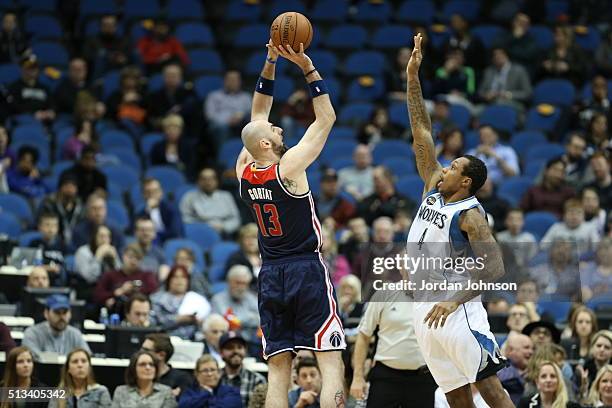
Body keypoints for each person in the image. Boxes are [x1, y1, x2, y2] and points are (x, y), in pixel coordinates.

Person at [404, 33, 514, 408]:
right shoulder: (433, 187)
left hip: (455, 309)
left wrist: (454, 301)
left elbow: (496, 267)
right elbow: (421, 131)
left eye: (453, 167)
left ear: (465, 181)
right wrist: (412, 78)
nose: (444, 168)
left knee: (490, 389)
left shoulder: (469, 216)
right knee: (454, 395)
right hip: (422, 307)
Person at [236, 40, 345, 407]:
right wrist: (308, 68)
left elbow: (257, 115)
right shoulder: (289, 169)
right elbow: (326, 118)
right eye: (276, 132)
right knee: (331, 362)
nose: (281, 130)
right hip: (305, 268)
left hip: (270, 274)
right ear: (267, 144)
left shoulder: (243, 172)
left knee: (279, 368)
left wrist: (270, 61)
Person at [350, 289, 436, 407]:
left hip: (423, 377)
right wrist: (358, 378)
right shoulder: (384, 294)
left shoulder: (436, 298)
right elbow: (364, 336)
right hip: (386, 376)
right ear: (400, 269)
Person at [93, 243, 159, 313]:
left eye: (137, 258)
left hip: (140, 312)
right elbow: (97, 295)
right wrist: (119, 292)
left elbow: (154, 291)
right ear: (123, 256)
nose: (133, 261)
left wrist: (135, 289)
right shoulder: (110, 275)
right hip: (116, 313)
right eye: (130, 257)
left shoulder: (146, 275)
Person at [21, 295, 91, 359]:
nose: (62, 317)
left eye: (65, 312)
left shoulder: (75, 334)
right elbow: (32, 357)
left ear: (70, 314)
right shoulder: (32, 333)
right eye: (57, 312)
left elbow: (87, 356)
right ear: (46, 313)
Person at [150, 265, 210, 339]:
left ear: (188, 281)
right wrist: (178, 319)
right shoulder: (156, 299)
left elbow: (207, 322)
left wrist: (200, 322)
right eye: (175, 277)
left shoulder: (196, 299)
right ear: (169, 279)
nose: (179, 280)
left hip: (192, 340)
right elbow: (155, 322)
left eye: (183, 277)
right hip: (163, 338)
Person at [179, 167, 241, 236]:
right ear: (198, 181)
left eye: (212, 179)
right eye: (204, 179)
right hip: (199, 232)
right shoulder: (189, 197)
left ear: (217, 181)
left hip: (224, 233)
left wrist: (224, 227)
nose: (208, 182)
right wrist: (204, 227)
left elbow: (236, 218)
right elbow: (185, 218)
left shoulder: (226, 196)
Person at [111, 350, 177, 408]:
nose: (148, 368)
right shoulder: (121, 391)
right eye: (142, 364)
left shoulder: (166, 392)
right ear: (133, 369)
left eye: (151, 364)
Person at [210, 265, 259, 342]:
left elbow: (261, 319)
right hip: (229, 341)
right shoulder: (218, 300)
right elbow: (227, 322)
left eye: (244, 283)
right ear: (229, 281)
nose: (241, 287)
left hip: (251, 341)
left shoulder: (251, 298)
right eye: (238, 283)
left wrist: (239, 320)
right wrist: (250, 317)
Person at [205, 70, 252, 148]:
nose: (232, 82)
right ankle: (223, 157)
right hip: (220, 125)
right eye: (229, 79)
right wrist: (227, 121)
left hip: (241, 124)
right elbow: (210, 115)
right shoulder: (214, 96)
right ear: (224, 81)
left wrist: (240, 118)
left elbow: (251, 113)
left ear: (240, 82)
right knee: (222, 128)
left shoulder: (246, 97)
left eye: (235, 80)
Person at [218, 331, 266, 407]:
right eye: (230, 348)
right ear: (221, 352)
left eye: (239, 347)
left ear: (245, 350)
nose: (236, 351)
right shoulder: (214, 378)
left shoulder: (257, 380)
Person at [37, 173, 84, 247]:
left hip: (74, 241)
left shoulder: (79, 205)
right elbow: (44, 224)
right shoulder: (49, 203)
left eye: (73, 186)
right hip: (54, 240)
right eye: (67, 186)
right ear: (61, 187)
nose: (70, 189)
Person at [141, 333, 192, 399]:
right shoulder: (137, 376)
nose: (140, 353)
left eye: (146, 350)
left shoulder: (182, 379)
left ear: (161, 355)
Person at [7, 54, 55, 120]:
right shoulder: (14, 87)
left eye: (35, 67)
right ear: (22, 69)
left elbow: (51, 104)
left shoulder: (45, 88)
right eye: (30, 67)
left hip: (45, 121)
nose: (33, 70)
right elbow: (14, 107)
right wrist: (33, 114)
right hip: (24, 121)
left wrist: (50, 112)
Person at [136, 177, 183, 244]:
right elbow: (136, 231)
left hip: (170, 243)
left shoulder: (172, 209)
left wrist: (155, 235)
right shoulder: (141, 213)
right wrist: (148, 211)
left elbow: (175, 232)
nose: (152, 195)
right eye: (148, 192)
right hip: (149, 244)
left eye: (155, 191)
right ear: (143, 195)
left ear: (161, 192)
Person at [517, 361, 582, 408]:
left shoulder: (571, 406)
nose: (548, 380)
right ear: (537, 382)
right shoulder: (525, 403)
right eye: (543, 376)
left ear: (559, 381)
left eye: (553, 376)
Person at [29, 212, 66, 285]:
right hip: (39, 278)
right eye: (47, 225)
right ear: (40, 227)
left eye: (54, 225)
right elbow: (30, 265)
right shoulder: (35, 244)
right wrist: (48, 268)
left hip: (58, 279)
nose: (51, 229)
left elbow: (65, 264)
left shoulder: (63, 245)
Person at [497, 332, 534, 405]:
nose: (531, 352)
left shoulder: (538, 370)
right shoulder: (500, 370)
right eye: (526, 347)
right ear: (510, 350)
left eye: (533, 348)